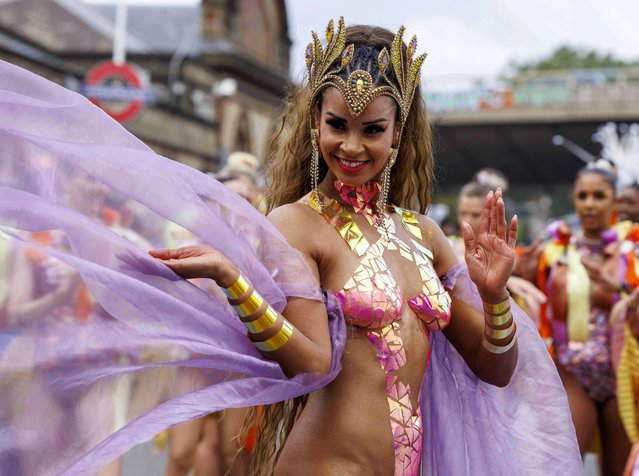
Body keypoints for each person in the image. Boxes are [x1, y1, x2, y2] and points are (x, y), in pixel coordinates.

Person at [0, 18, 580, 475]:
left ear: (398, 134)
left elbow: (495, 369)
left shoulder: (423, 234)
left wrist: (494, 294)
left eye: (372, 129)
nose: (351, 146)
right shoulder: (298, 224)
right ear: (314, 125)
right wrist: (235, 281)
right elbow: (313, 362)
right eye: (337, 125)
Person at [528, 161, 638, 475]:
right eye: (583, 196)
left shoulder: (633, 250)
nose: (590, 204)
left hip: (622, 379)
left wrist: (617, 290)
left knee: (624, 469)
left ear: (614, 201)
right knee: (565, 466)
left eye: (599, 196)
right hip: (573, 375)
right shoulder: (554, 253)